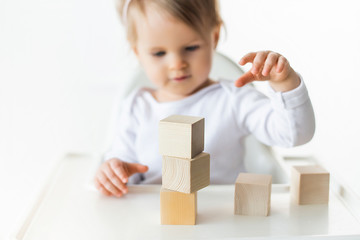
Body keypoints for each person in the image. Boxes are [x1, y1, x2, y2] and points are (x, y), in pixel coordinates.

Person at [94, 0, 315, 198]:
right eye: (159, 53)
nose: (176, 63)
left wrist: (284, 83)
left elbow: (293, 135)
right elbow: (121, 162)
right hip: (156, 218)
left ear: (214, 37)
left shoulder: (233, 100)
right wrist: (112, 171)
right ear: (138, 53)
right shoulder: (136, 106)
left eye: (190, 48)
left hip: (224, 216)